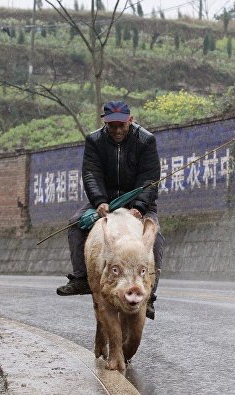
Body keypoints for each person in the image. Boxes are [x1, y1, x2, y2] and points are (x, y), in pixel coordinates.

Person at [56, 100, 164, 320]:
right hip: (107, 202)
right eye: (112, 125)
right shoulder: (94, 140)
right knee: (76, 224)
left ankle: (149, 294)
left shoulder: (145, 140)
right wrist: (99, 201)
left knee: (156, 238)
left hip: (138, 202)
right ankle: (81, 278)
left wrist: (139, 207)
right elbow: (91, 174)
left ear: (130, 121)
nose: (116, 130)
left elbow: (149, 178)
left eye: (121, 125)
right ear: (104, 122)